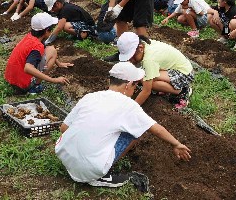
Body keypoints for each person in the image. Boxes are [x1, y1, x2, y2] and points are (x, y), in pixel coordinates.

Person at [55, 61, 191, 188]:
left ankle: (84, 159)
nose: (135, 89)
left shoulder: (90, 97)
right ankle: (102, 174)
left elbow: (64, 128)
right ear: (128, 84)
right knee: (134, 132)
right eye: (136, 85)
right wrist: (176, 144)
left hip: (65, 156)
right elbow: (155, 129)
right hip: (91, 168)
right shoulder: (128, 105)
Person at [117, 33, 194, 108]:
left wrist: (131, 108)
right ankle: (166, 88)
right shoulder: (145, 45)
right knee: (143, 77)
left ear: (140, 48)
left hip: (185, 74)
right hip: (175, 67)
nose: (131, 61)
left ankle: (182, 91)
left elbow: (146, 91)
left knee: (147, 82)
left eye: (132, 57)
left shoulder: (149, 60)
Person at [5, 12, 73, 94]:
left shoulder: (31, 36)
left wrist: (59, 64)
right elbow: (28, 68)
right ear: (46, 31)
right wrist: (53, 80)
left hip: (12, 79)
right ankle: (33, 86)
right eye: (51, 29)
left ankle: (28, 83)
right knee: (52, 50)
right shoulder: (37, 47)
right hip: (22, 86)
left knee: (51, 50)